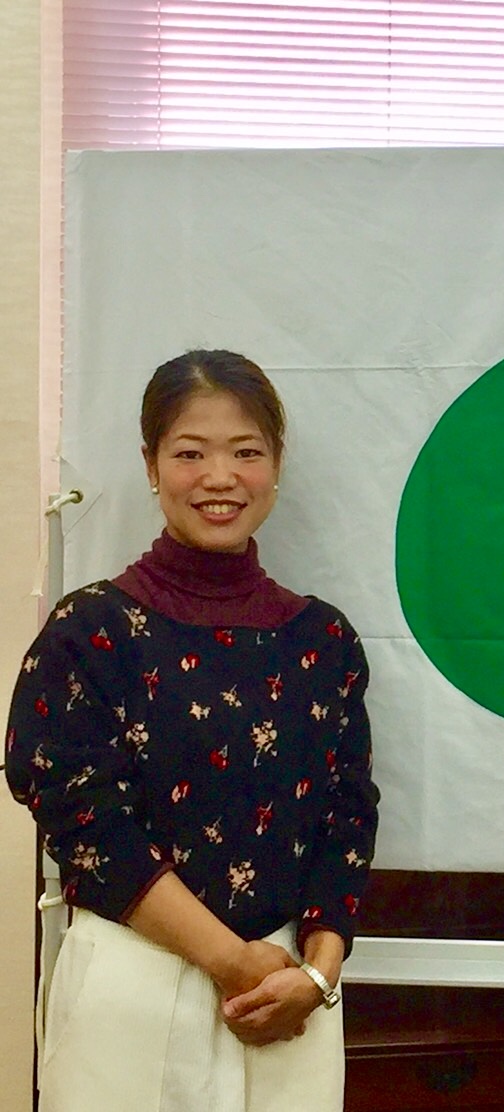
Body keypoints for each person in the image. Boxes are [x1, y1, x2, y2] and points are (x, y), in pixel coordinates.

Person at [6, 350, 379, 1111]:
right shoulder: (90, 631)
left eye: (246, 452)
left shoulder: (324, 640)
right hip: (132, 987)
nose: (220, 477)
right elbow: (84, 822)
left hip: (290, 993)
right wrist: (232, 962)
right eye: (189, 453)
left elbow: (348, 812)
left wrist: (317, 973)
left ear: (276, 465)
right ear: (151, 465)